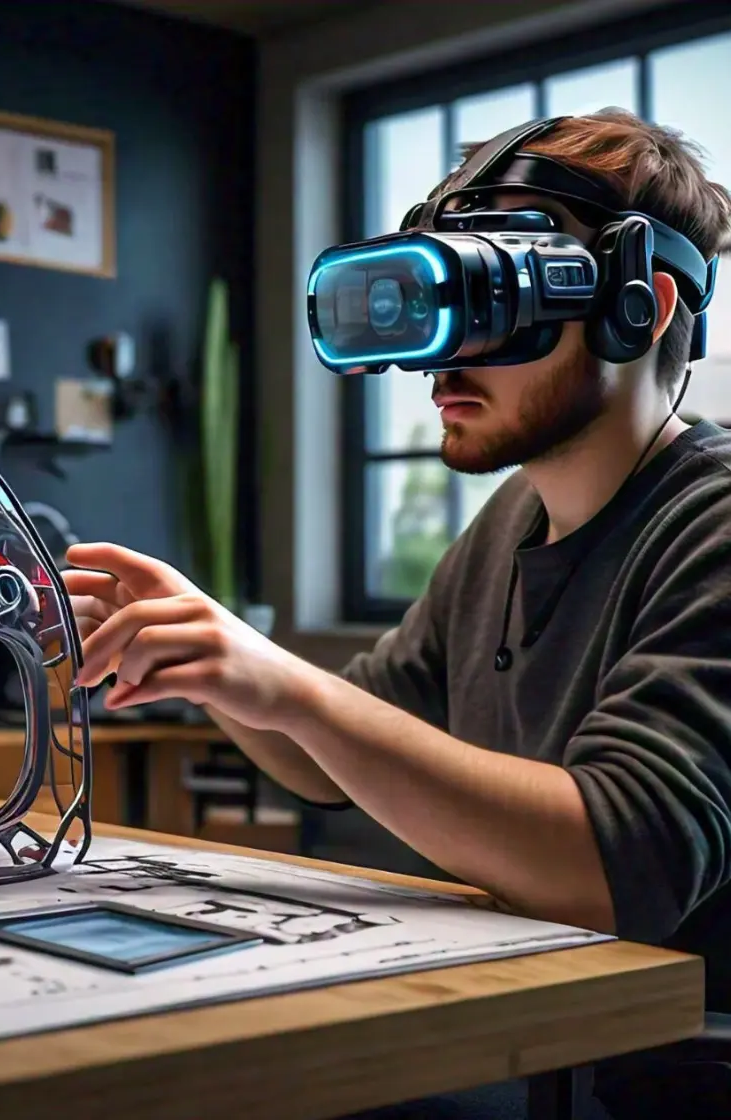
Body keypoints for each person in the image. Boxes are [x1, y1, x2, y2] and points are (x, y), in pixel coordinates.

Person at [64, 109, 731, 1118]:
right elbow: (328, 755)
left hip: (663, 1074)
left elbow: (616, 863)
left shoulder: (714, 522)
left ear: (638, 301)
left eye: (492, 298)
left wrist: (288, 687)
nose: (438, 363)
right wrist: (211, 663)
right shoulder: (513, 521)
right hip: (536, 1038)